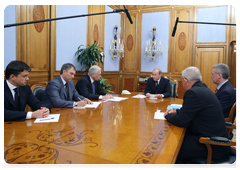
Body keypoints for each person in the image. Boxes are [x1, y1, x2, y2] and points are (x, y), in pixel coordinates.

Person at [164, 66, 231, 168]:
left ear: (185, 81)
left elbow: (182, 121)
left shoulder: (192, 93)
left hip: (211, 144)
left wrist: (168, 116)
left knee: (173, 148)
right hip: (214, 138)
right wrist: (176, 111)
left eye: (182, 80)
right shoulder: (203, 88)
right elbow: (191, 111)